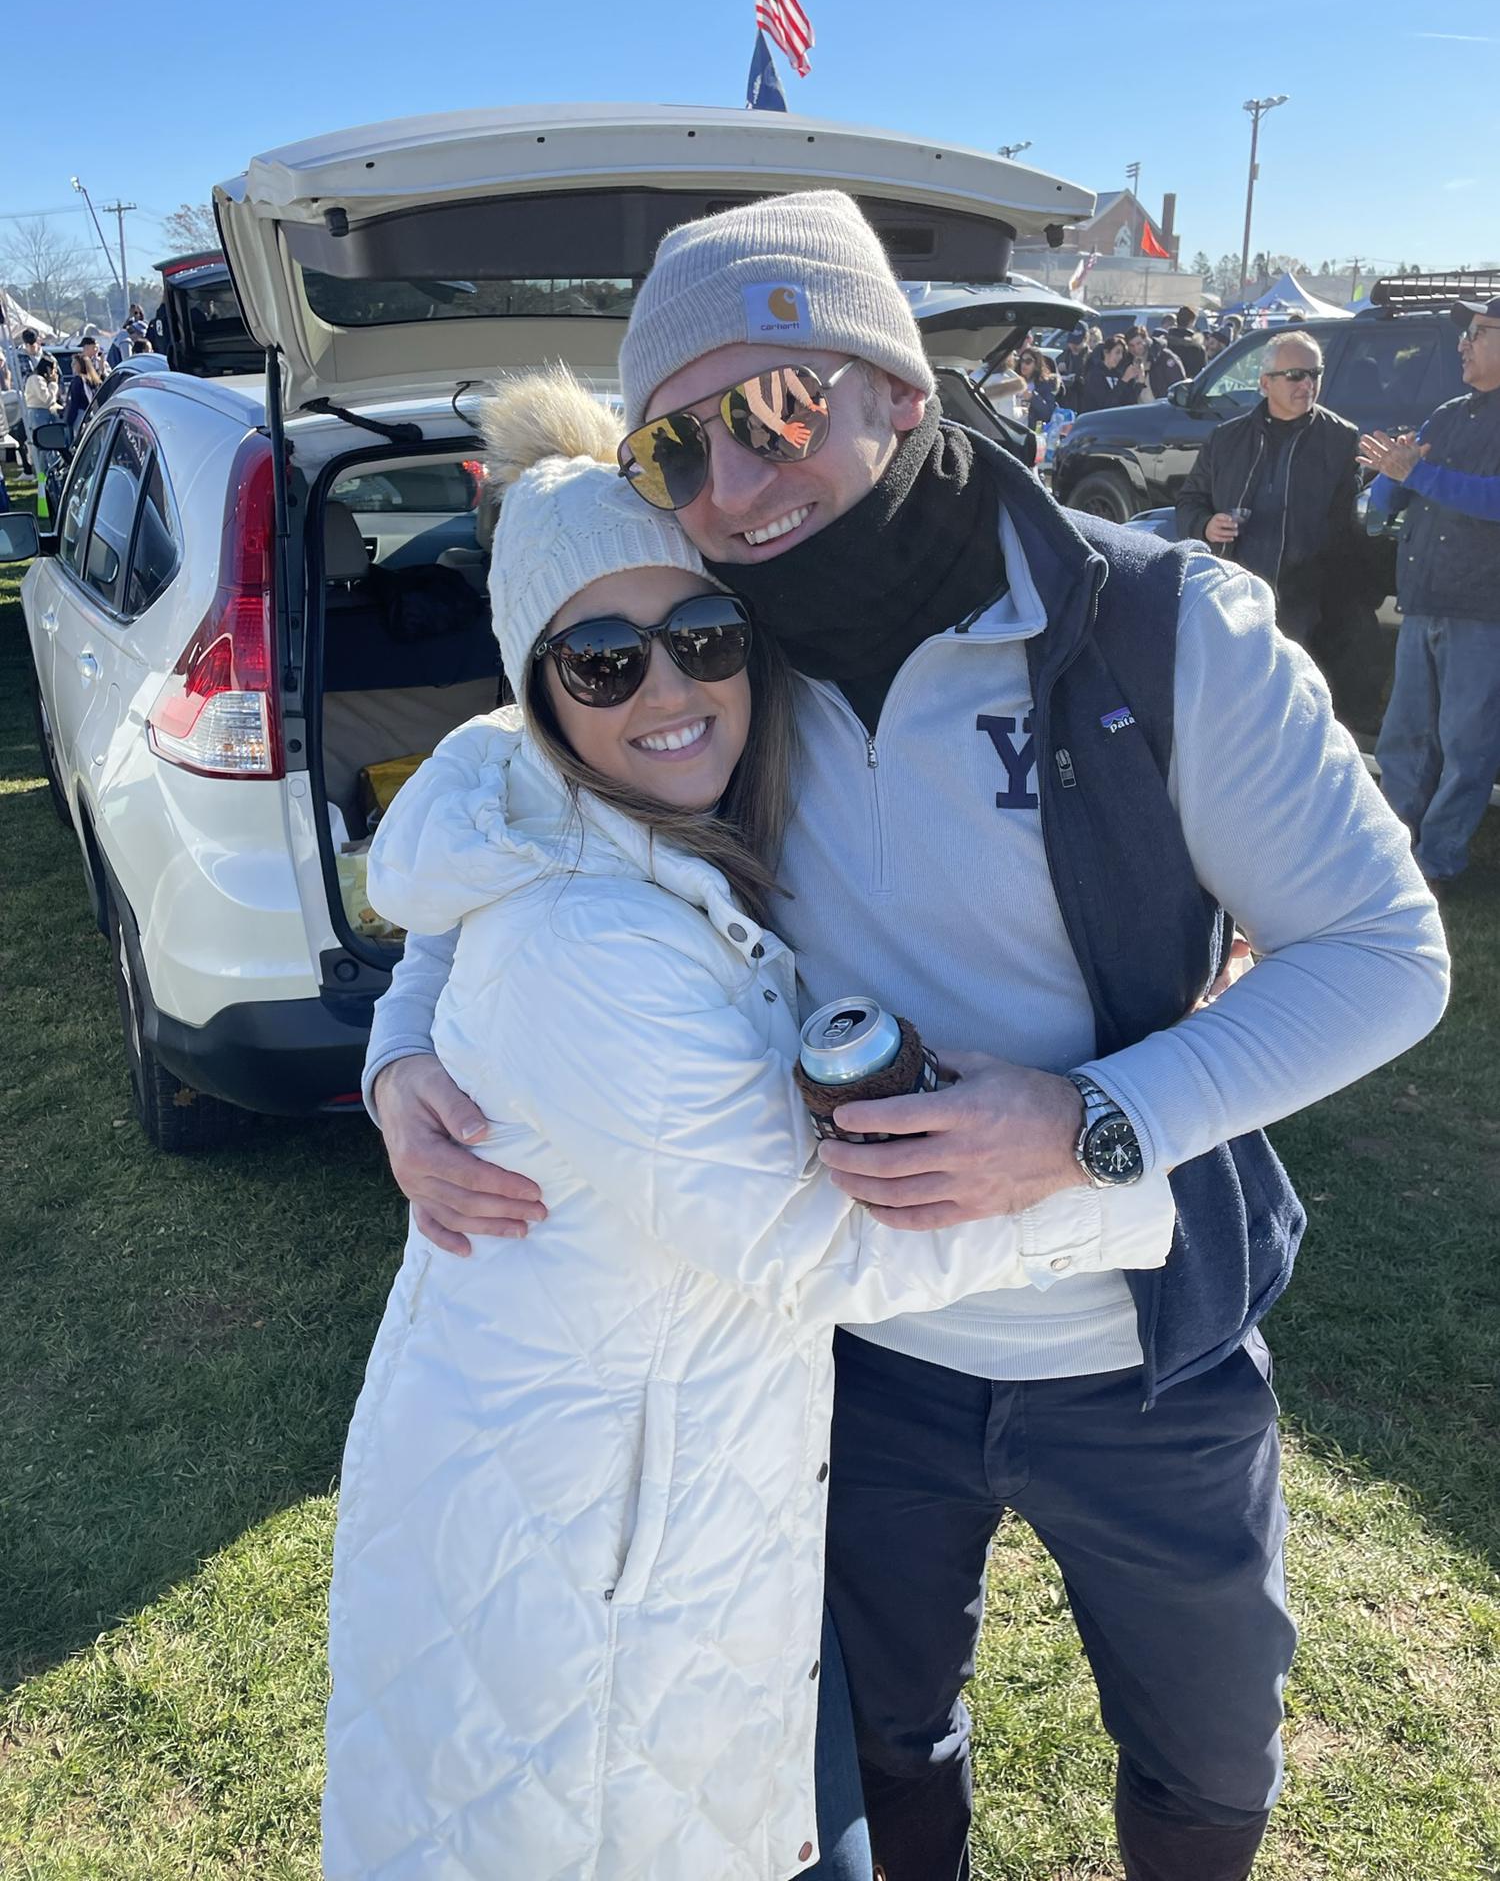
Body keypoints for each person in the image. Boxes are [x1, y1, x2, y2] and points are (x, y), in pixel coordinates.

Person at [365, 191, 1448, 1881]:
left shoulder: (1165, 632)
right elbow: (525, 802)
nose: (735, 489)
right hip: (854, 1355)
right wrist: (408, 1033)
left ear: (901, 392)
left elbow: (1386, 955)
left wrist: (1091, 1123)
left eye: (779, 412)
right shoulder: (712, 644)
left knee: (1210, 1743)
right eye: (675, 455)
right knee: (883, 1741)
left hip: (1143, 1350)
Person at [322, 368, 1173, 1881]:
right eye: (601, 661)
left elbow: (453, 914)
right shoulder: (590, 938)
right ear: (535, 694)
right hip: (588, 1554)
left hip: (641, 1489)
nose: (667, 690)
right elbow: (810, 1250)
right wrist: (1130, 1153)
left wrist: (399, 1051)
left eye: (703, 637)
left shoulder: (615, 828)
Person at [1173, 332, 1386, 728]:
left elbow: (1351, 529)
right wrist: (1205, 524)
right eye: (1294, 375)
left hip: (1309, 608)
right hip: (1235, 600)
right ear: (1265, 381)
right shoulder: (1227, 438)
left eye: (1314, 374)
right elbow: (1188, 501)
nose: (1307, 384)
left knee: (1291, 720)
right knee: (1231, 717)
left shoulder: (1340, 439)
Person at [1363, 295, 1500, 893]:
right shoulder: (1446, 415)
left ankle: (1439, 860)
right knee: (1405, 736)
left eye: (1477, 333)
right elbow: (1391, 494)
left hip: (1483, 609)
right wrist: (1390, 483)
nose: (1462, 345)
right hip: (1423, 599)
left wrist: (1413, 474)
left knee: (1466, 744)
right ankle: (1394, 848)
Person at [1118, 324, 1186, 404]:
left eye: (1139, 343)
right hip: (1139, 410)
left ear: (1145, 340)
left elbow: (1179, 386)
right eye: (1131, 346)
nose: (1135, 349)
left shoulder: (1163, 357)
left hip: (1162, 408)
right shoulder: (1127, 362)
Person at [1076, 332, 1132, 413]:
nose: (1120, 357)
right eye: (1117, 352)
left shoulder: (1117, 374)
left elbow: (1127, 402)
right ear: (1106, 352)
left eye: (1122, 353)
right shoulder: (1095, 374)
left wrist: (1139, 384)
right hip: (1096, 420)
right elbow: (1105, 404)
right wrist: (1124, 381)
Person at [63, 351, 99, 444]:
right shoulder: (94, 381)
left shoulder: (78, 380)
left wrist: (68, 421)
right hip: (92, 416)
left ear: (81, 365)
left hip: (80, 415)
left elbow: (74, 402)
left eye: (74, 363)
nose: (72, 366)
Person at [1167, 305, 1207, 379]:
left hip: (1163, 387)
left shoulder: (1164, 343)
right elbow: (1201, 376)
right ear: (1192, 321)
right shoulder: (1197, 348)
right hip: (1188, 388)